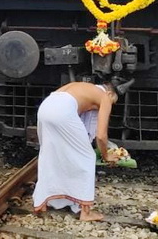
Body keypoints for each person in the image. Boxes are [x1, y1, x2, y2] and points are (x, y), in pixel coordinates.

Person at [32, 81, 119, 222]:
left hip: (45, 108)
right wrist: (106, 155)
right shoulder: (104, 96)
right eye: (113, 102)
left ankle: (43, 201)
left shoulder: (81, 86)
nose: (110, 105)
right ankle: (85, 212)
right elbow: (101, 136)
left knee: (51, 154)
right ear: (109, 93)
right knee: (87, 157)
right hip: (62, 112)